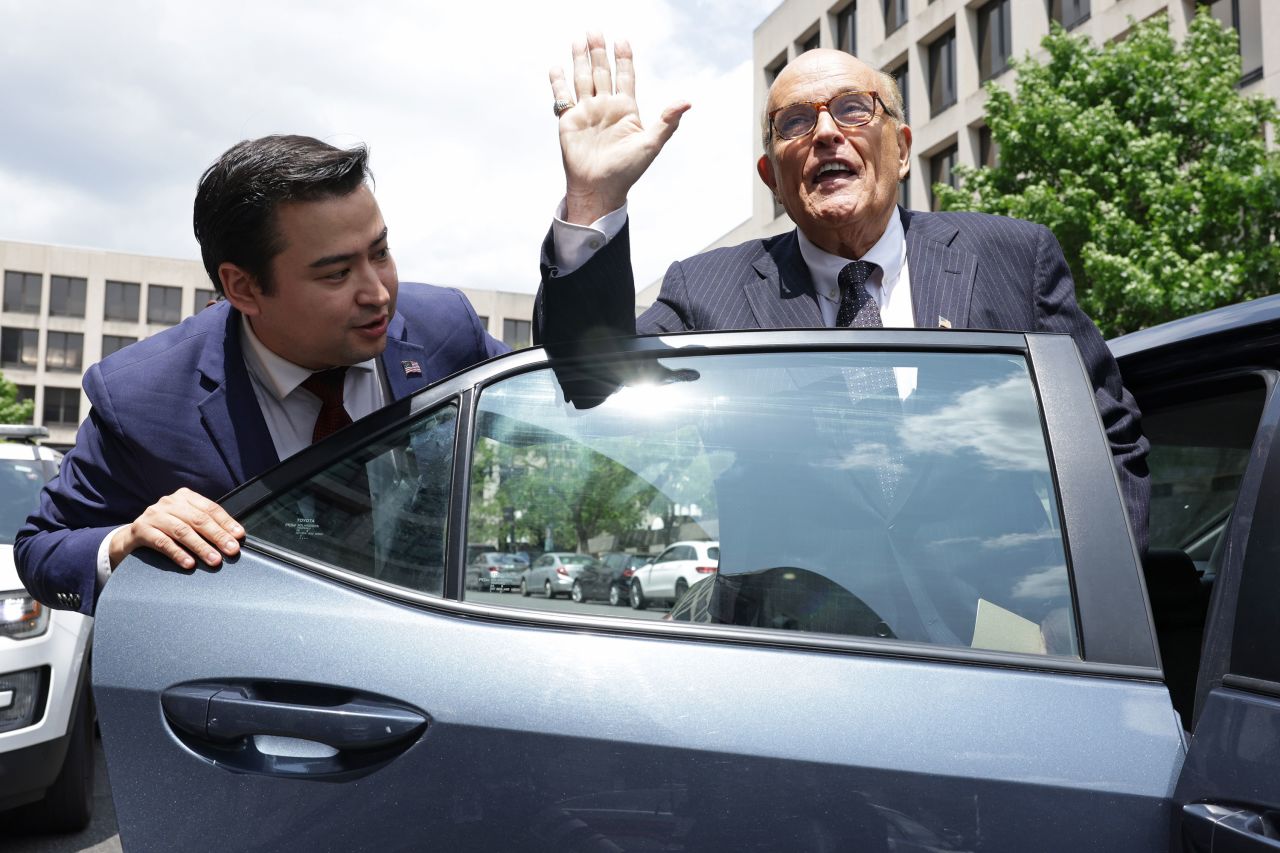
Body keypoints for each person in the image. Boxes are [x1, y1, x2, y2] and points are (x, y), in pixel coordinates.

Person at [534, 35, 1149, 550]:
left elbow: (1105, 441)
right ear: (772, 177)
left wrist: (1089, 610)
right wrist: (594, 200)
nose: (826, 132)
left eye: (854, 109)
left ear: (902, 149)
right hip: (798, 649)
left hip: (1001, 645)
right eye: (795, 122)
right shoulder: (707, 293)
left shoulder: (1012, 259)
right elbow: (590, 382)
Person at [17, 135, 509, 615]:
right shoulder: (142, 397)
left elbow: (570, 395)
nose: (377, 293)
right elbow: (41, 549)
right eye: (337, 274)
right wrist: (125, 542)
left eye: (380, 253)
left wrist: (583, 206)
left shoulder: (444, 329)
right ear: (243, 287)